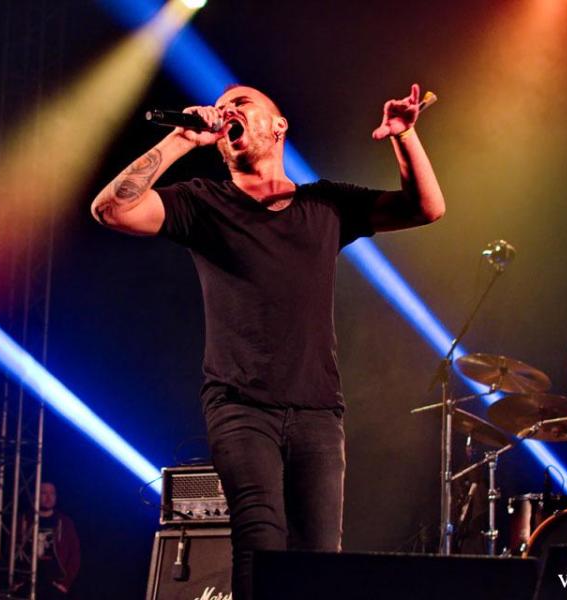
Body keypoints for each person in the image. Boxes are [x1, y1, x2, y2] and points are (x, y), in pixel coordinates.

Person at [91, 83, 444, 598]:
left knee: (318, 559)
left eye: (241, 104)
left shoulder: (325, 204)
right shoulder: (204, 202)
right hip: (239, 406)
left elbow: (426, 208)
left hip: (317, 409)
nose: (226, 111)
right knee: (259, 540)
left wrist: (405, 137)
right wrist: (183, 139)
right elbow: (111, 209)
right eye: (222, 107)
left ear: (279, 127)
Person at [17, 482, 81, 598]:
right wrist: (16, 582)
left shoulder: (64, 522)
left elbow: (75, 554)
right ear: (36, 495)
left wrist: (65, 583)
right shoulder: (24, 520)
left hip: (55, 583)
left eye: (52, 493)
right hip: (27, 581)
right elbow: (11, 549)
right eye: (44, 493)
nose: (48, 497)